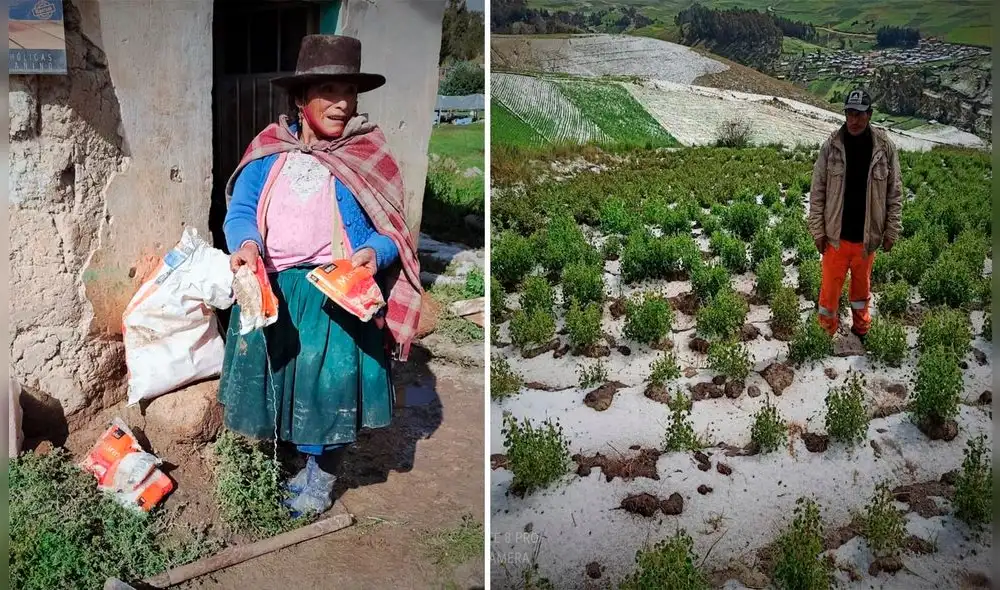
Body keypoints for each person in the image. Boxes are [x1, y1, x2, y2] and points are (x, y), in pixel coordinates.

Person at [218, 35, 423, 516]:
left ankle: (320, 479)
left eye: (349, 92)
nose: (342, 103)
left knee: (328, 390)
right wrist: (246, 246)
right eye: (328, 90)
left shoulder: (366, 154)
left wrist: (372, 253)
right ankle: (293, 457)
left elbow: (392, 231)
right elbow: (241, 211)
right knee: (282, 381)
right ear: (299, 98)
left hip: (335, 295)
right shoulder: (269, 151)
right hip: (275, 289)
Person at [808, 88, 902, 342]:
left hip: (866, 238)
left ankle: (861, 329)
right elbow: (817, 192)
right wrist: (817, 231)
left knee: (861, 291)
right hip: (835, 238)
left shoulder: (884, 148)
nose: (853, 119)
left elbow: (894, 193)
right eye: (849, 113)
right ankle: (824, 333)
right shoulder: (832, 146)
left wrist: (891, 231)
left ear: (869, 115)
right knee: (829, 292)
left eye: (859, 114)